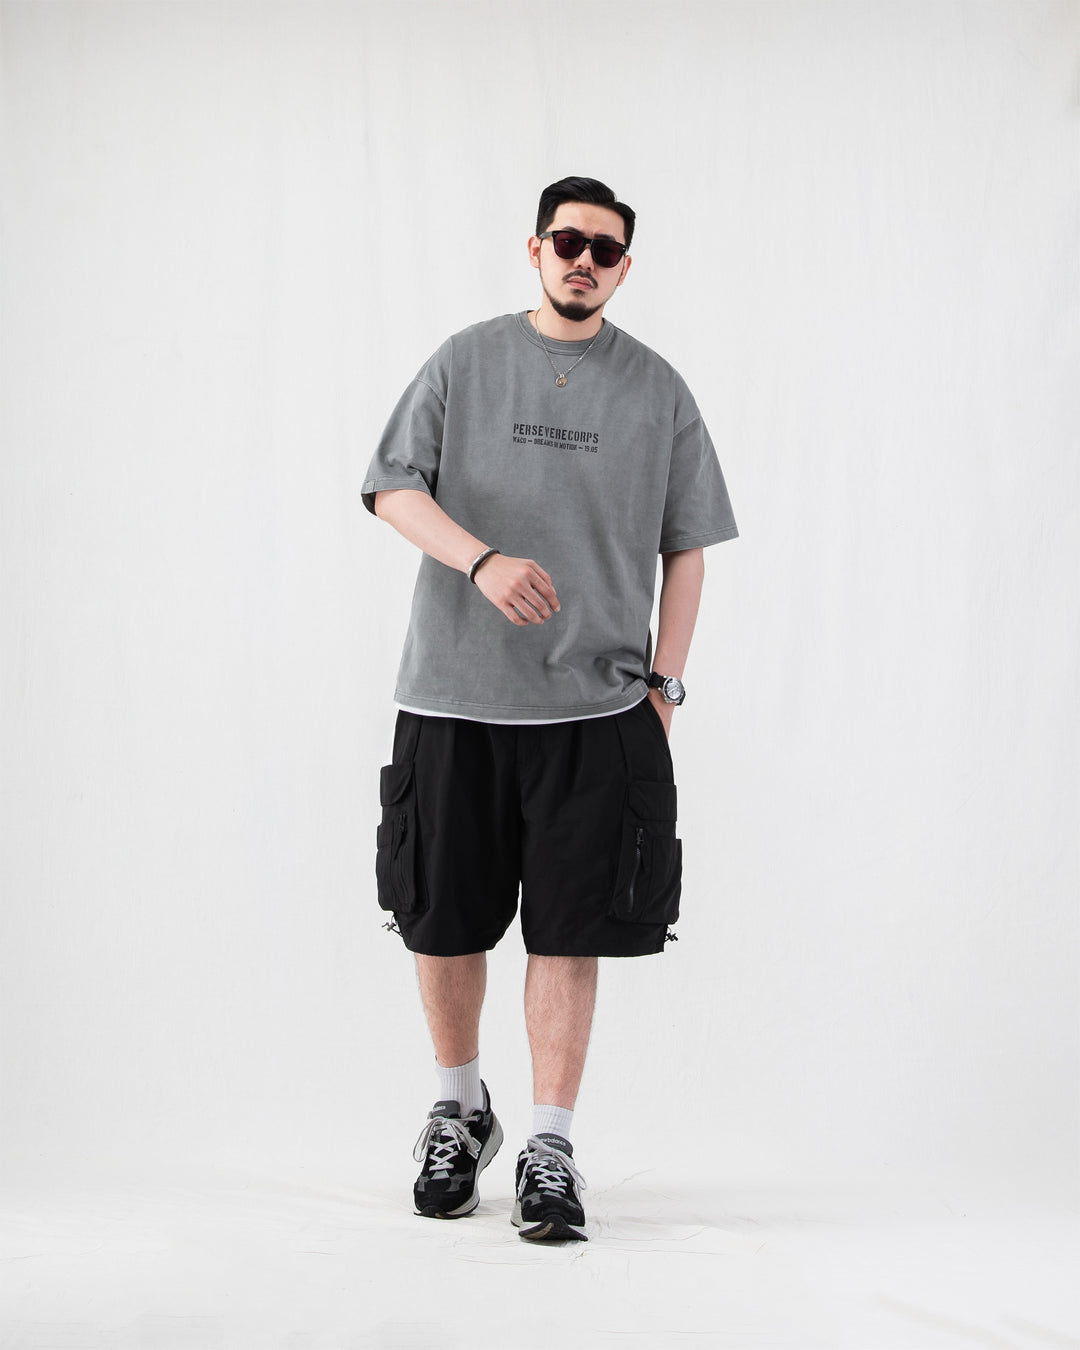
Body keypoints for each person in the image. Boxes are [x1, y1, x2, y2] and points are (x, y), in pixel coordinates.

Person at [361, 175, 737, 1242]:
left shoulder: (658, 390)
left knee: (570, 932)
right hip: (453, 695)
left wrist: (665, 688)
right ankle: (457, 1109)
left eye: (605, 250)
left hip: (595, 709)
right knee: (442, 917)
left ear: (625, 268)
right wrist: (480, 561)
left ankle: (551, 1146)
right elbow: (391, 487)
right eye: (568, 241)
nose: (584, 260)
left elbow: (688, 546)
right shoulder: (466, 360)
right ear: (535, 249)